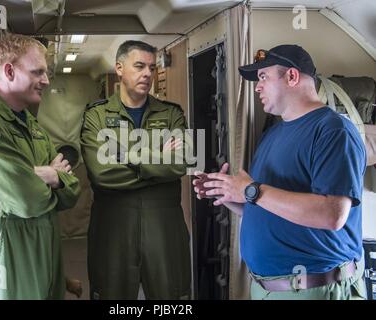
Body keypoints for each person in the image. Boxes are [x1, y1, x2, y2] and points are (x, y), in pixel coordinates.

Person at [193, 44, 367, 300]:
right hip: (266, 289)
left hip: (313, 289)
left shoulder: (333, 131)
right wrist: (229, 193)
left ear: (292, 76)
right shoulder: (274, 134)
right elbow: (266, 205)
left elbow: (332, 215)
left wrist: (251, 190)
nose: (257, 86)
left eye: (263, 77)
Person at [0, 33, 80, 299]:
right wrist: (46, 177)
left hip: (46, 242)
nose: (46, 81)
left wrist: (54, 178)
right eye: (38, 72)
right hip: (5, 248)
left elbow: (71, 193)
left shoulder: (33, 128)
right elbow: (25, 201)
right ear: (9, 71)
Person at [81, 40, 191, 299]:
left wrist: (121, 154)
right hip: (113, 226)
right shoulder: (96, 115)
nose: (147, 74)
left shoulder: (171, 113)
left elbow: (182, 162)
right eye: (139, 66)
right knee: (111, 295)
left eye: (152, 68)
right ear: (119, 68)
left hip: (164, 226)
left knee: (170, 298)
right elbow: (101, 173)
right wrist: (158, 161)